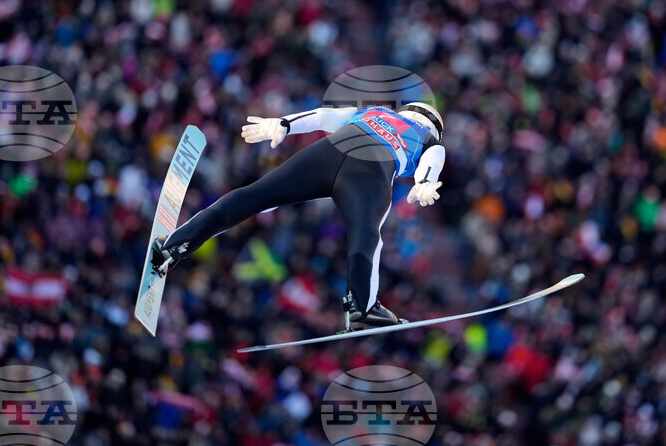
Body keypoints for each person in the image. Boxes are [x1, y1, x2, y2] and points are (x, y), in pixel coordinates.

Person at [151, 102, 446, 327]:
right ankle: (362, 306)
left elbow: (324, 116)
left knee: (256, 196)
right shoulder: (428, 139)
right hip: (371, 171)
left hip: (329, 152)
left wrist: (285, 124)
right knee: (366, 237)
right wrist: (425, 182)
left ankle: (176, 244)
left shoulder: (376, 111)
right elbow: (433, 159)